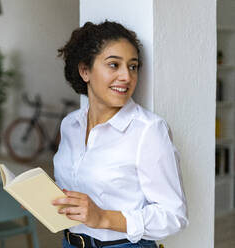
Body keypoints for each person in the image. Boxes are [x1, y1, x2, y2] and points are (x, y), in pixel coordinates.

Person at [52, 21, 188, 248]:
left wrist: (104, 217)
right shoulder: (70, 125)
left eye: (132, 66)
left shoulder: (148, 130)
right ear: (85, 71)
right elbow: (74, 189)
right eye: (114, 65)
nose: (126, 76)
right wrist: (45, 200)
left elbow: (174, 216)